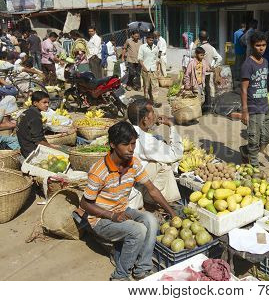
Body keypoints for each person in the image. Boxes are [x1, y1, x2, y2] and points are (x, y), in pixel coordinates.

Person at [80, 121, 176, 281]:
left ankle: (142, 269)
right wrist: (111, 215)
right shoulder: (99, 171)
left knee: (151, 220)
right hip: (100, 219)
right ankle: (120, 275)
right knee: (138, 230)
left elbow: (152, 189)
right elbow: (85, 204)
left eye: (133, 144)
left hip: (122, 210)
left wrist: (171, 212)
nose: (131, 149)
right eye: (125, 144)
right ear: (112, 144)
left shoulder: (133, 163)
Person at [127, 99, 183, 205]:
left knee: (158, 160)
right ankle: (161, 201)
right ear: (145, 119)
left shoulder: (131, 130)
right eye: (152, 112)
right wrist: (171, 125)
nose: (155, 115)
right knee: (164, 164)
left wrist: (152, 124)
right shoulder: (146, 140)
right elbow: (176, 153)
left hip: (131, 176)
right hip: (134, 184)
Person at [239, 31, 269, 167]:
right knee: (254, 139)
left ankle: (245, 150)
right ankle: (254, 166)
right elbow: (244, 89)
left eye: (263, 45)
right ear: (252, 46)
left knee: (267, 136)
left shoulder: (265, 62)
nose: (261, 48)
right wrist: (245, 111)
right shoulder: (248, 65)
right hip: (253, 107)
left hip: (265, 106)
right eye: (258, 45)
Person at [16, 91, 60, 158]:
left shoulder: (26, 112)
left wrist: (50, 145)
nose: (47, 105)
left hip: (24, 147)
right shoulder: (35, 117)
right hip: (31, 151)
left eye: (48, 102)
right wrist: (52, 147)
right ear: (35, 103)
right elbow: (38, 141)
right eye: (44, 102)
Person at [197, 30, 222, 113]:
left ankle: (206, 106)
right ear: (207, 38)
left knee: (204, 89)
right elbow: (219, 58)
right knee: (208, 88)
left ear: (199, 38)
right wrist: (213, 66)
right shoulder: (211, 48)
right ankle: (209, 105)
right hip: (208, 72)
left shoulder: (199, 48)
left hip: (201, 72)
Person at [138, 34, 160, 107]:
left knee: (155, 86)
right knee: (146, 86)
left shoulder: (156, 47)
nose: (151, 41)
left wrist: (157, 67)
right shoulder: (142, 47)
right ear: (146, 39)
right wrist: (143, 67)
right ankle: (146, 100)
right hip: (146, 69)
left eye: (152, 40)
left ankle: (155, 101)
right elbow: (140, 59)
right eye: (150, 40)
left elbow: (157, 58)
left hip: (153, 69)